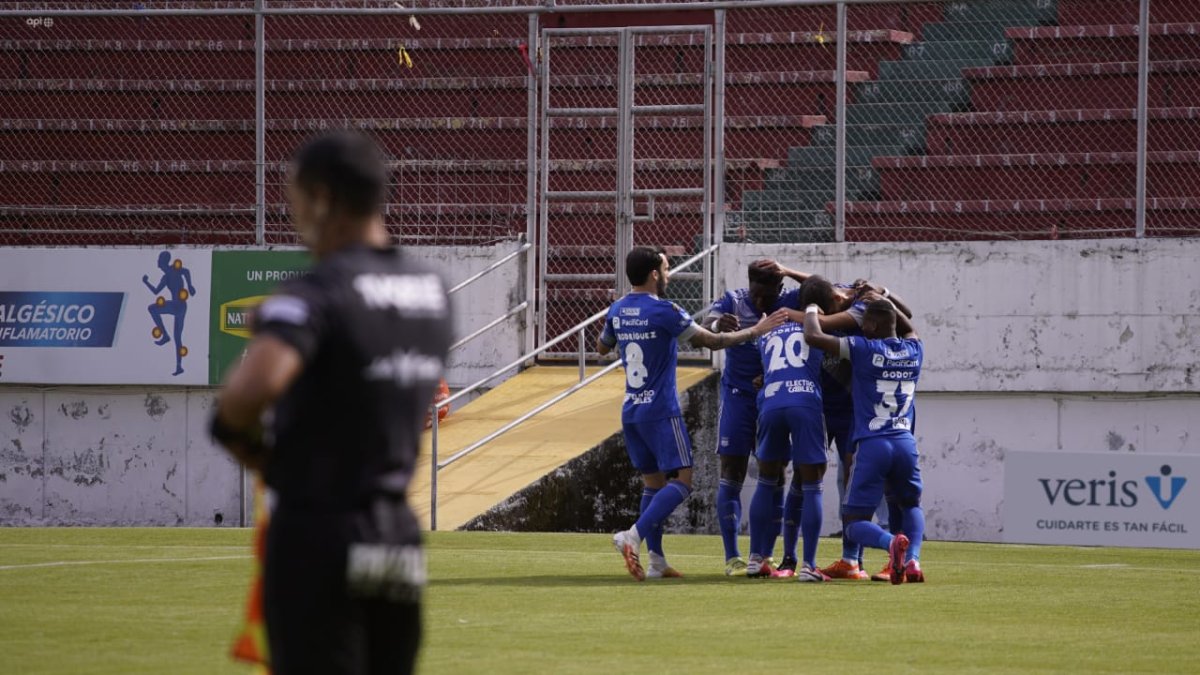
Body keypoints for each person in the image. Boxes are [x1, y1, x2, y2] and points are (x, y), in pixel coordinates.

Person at [210, 131, 452, 673]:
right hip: (396, 540)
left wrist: (251, 448)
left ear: (322, 199)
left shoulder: (316, 292)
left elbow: (250, 393)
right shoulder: (431, 291)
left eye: (295, 198)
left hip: (320, 534)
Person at [599, 246, 786, 581]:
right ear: (654, 274)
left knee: (652, 485)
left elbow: (602, 348)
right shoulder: (666, 311)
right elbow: (711, 342)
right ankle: (633, 535)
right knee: (683, 482)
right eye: (667, 269)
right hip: (661, 409)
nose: (669, 275)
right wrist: (756, 331)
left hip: (631, 409)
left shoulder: (616, 309)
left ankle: (656, 561)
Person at [792, 274, 914, 581]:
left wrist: (809, 310)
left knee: (867, 503)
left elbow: (816, 335)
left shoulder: (862, 334)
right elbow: (910, 326)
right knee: (888, 496)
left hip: (868, 427)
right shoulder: (915, 348)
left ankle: (891, 550)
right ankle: (868, 560)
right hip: (892, 430)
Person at [702, 260, 800, 576]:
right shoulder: (733, 299)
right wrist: (718, 326)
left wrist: (788, 269)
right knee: (732, 470)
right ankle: (733, 558)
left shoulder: (788, 303)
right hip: (737, 396)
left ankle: (765, 555)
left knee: (775, 472)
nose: (759, 303)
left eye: (767, 297)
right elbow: (708, 323)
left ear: (779, 290)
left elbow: (824, 287)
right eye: (756, 294)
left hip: (774, 396)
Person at [747, 315, 829, 581]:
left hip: (771, 400)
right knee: (812, 482)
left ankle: (755, 559)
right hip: (804, 401)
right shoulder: (816, 325)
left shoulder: (768, 330)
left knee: (766, 480)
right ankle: (809, 566)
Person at [143, 250, 197, 376]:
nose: (157, 263)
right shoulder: (165, 277)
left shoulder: (173, 270)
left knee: (152, 309)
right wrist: (146, 282)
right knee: (177, 338)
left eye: (159, 260)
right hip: (181, 307)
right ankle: (179, 366)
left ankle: (165, 335)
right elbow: (156, 291)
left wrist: (190, 285)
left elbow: (186, 271)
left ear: (163, 262)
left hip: (178, 305)